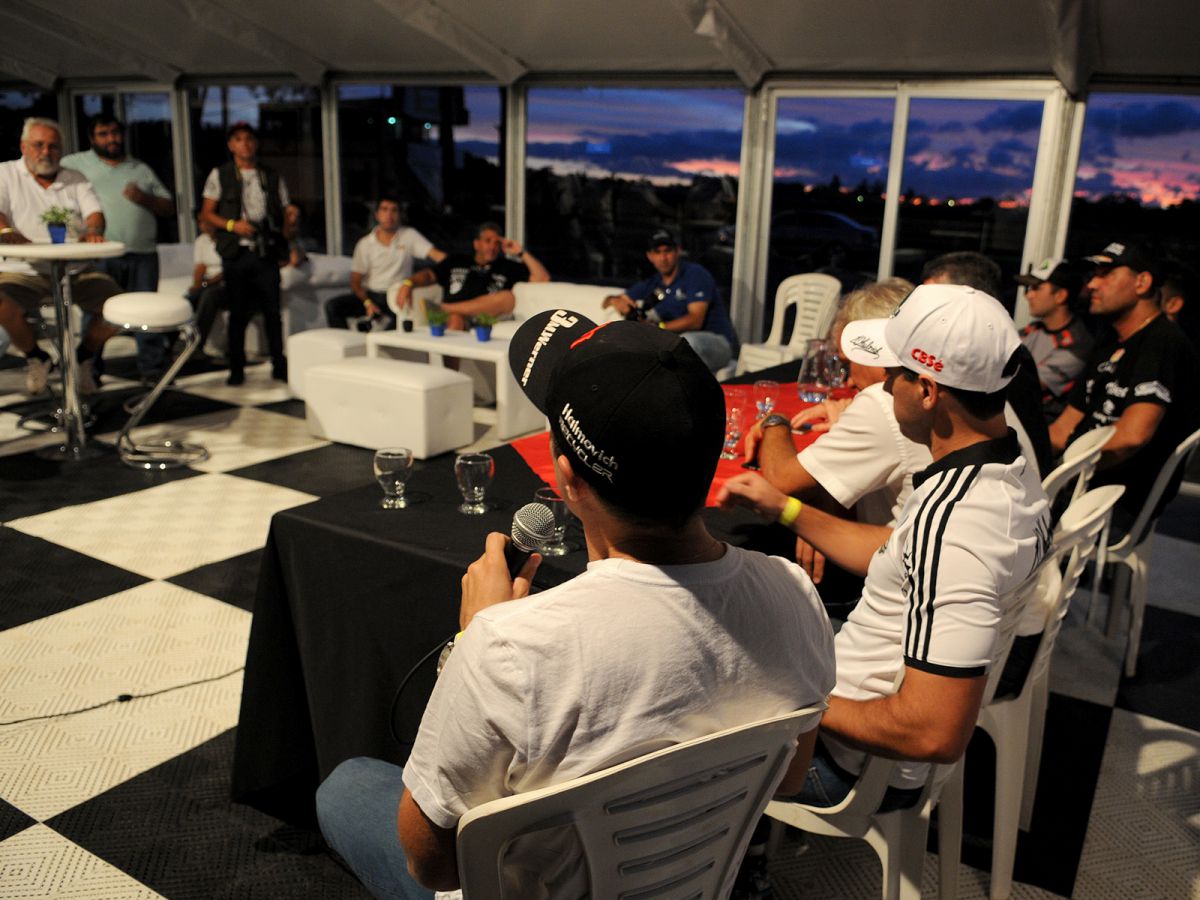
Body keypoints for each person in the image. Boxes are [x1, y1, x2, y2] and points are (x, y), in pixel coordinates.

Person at [316, 309, 836, 899]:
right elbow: (789, 776)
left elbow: (432, 865)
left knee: (345, 787)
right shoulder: (795, 593)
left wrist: (471, 639)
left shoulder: (510, 646)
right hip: (696, 883)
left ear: (567, 479)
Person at [719, 283, 1050, 811]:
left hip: (846, 761)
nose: (882, 387)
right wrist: (785, 509)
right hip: (851, 706)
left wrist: (793, 696)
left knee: (694, 670)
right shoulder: (1005, 471)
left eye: (894, 375)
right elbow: (896, 553)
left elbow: (934, 732)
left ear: (927, 390)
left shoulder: (957, 526)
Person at [743, 278, 931, 598]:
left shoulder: (883, 400)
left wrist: (775, 422)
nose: (847, 380)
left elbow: (782, 480)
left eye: (848, 362)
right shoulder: (936, 390)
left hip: (893, 587)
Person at [1048, 241, 1200, 539]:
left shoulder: (1162, 343)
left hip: (1112, 503)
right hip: (1076, 485)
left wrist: (1063, 471)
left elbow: (1132, 436)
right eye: (1094, 275)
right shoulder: (1109, 341)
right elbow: (1063, 427)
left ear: (1142, 283)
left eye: (1105, 274)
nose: (1092, 284)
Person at [0, 117, 121, 396]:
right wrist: (6, 230)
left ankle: (82, 357)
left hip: (76, 270)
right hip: (24, 271)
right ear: (24, 146)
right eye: (38, 145)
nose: (46, 152)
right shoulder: (5, 173)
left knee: (117, 307)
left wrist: (93, 231)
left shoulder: (75, 178)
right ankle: (36, 357)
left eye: (53, 146)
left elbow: (95, 213)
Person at [61, 114, 175, 381]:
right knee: (97, 313)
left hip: (143, 254)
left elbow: (169, 207)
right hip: (101, 254)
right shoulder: (75, 164)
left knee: (145, 312)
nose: (111, 139)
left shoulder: (139, 168)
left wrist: (143, 198)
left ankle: (152, 371)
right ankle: (89, 370)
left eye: (115, 133)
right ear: (92, 138)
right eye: (103, 134)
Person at [923, 250, 1053, 476]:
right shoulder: (1009, 348)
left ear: (971, 302)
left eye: (934, 302)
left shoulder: (982, 361)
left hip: (1009, 482)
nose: (921, 312)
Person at [199, 121, 293, 385]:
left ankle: (279, 364)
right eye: (239, 140)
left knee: (272, 311)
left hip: (266, 250)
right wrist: (233, 225)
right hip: (236, 252)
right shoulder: (221, 174)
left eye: (249, 139)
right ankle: (236, 367)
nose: (245, 144)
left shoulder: (271, 175)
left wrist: (287, 234)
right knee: (238, 312)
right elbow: (207, 213)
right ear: (231, 145)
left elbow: (285, 210)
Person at [602, 229, 740, 373]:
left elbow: (695, 320)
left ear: (677, 251)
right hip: (674, 341)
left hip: (716, 341)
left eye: (667, 251)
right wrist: (616, 301)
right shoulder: (653, 283)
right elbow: (608, 301)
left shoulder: (694, 273)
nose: (663, 258)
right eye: (657, 252)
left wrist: (657, 327)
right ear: (650, 256)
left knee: (685, 344)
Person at [397, 221, 549, 330]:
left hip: (486, 318)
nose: (492, 246)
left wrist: (521, 252)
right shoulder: (457, 260)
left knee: (508, 297)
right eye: (488, 241)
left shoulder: (508, 266)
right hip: (457, 318)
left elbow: (543, 278)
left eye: (497, 243)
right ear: (476, 244)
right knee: (455, 320)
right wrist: (408, 283)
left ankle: (443, 308)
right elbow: (429, 275)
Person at [325, 197, 446, 330]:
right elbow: (355, 282)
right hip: (371, 295)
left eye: (394, 210)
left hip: (397, 294)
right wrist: (367, 302)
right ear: (377, 214)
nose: (389, 215)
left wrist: (456, 264)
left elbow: (437, 255)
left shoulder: (409, 235)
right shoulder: (365, 243)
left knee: (395, 325)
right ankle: (347, 340)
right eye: (384, 210)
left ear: (400, 215)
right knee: (333, 307)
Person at [1015, 258, 1093, 423]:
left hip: (1041, 426)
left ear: (1060, 296)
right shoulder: (1033, 329)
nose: (1028, 295)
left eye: (1036, 288)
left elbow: (1025, 384)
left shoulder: (1077, 345)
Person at [186, 213, 227, 355]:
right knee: (190, 298)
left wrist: (206, 284)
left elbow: (228, 269)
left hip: (225, 282)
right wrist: (197, 284)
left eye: (207, 222)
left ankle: (196, 343)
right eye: (201, 223)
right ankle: (172, 342)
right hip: (208, 281)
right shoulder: (201, 241)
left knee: (209, 296)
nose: (205, 226)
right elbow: (200, 266)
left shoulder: (226, 240)